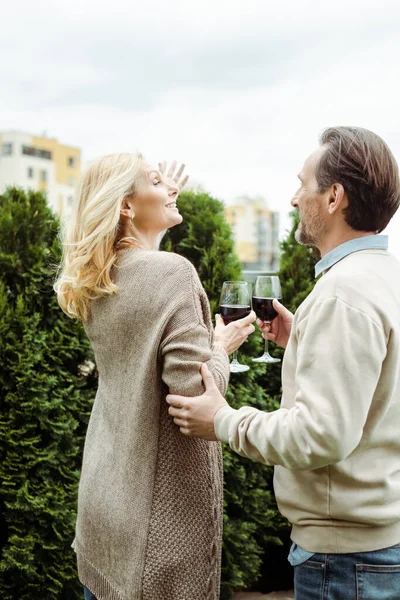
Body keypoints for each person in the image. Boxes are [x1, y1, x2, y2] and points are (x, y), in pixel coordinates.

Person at [167, 126, 400, 600]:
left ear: (334, 197)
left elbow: (321, 435)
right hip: (375, 548)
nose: (294, 199)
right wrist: (307, 339)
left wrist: (224, 421)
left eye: (302, 184)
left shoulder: (343, 294)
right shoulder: (383, 277)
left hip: (346, 562)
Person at [55, 154, 255, 600]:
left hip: (105, 512)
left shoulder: (99, 279)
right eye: (157, 182)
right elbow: (194, 401)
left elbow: (145, 281)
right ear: (127, 206)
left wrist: (157, 213)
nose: (172, 189)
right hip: (155, 532)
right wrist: (221, 348)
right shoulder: (173, 274)